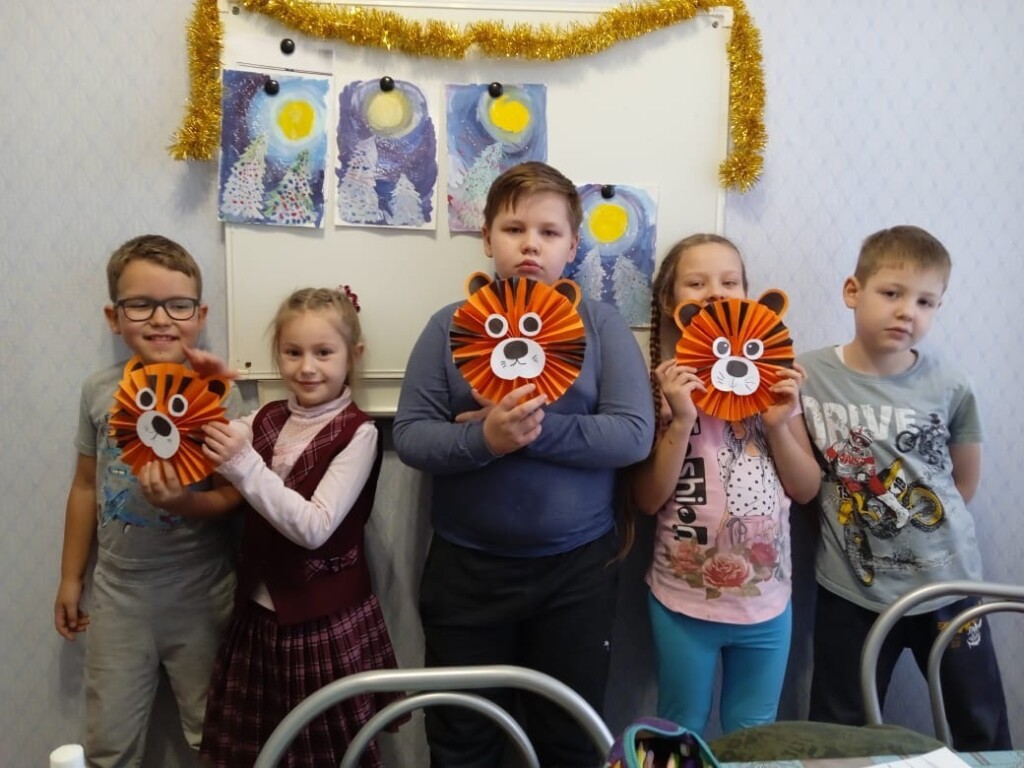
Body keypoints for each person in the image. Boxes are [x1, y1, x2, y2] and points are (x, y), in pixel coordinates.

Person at [392, 161, 655, 767]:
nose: (530, 244)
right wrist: (485, 440)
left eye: (549, 232)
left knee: (569, 738)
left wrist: (521, 434)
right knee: (461, 738)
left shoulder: (601, 325)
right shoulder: (450, 326)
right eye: (514, 229)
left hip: (577, 573)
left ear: (573, 245)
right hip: (467, 573)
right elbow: (412, 437)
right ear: (487, 239)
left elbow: (633, 435)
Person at [799, 225, 1011, 749]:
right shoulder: (807, 376)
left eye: (925, 302)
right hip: (850, 589)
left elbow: (964, 482)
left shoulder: (950, 384)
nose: (906, 312)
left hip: (947, 587)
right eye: (892, 293)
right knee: (838, 726)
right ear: (853, 291)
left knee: (978, 721)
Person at [53, 234, 245, 766]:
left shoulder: (218, 393)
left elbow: (234, 493)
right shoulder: (99, 391)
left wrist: (185, 503)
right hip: (118, 596)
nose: (160, 319)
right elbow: (85, 486)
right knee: (109, 744)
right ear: (114, 318)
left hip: (203, 591)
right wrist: (70, 577)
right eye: (140, 304)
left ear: (200, 315)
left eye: (178, 305)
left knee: (216, 736)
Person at [195, 287, 403, 767]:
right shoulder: (265, 417)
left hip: (322, 619)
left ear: (353, 355)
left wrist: (244, 465)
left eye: (323, 353)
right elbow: (210, 436)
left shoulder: (359, 433)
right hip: (258, 617)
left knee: (328, 752)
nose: (307, 367)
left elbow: (314, 527)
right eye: (293, 353)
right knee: (261, 749)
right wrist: (198, 395)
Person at [630, 233, 821, 736]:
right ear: (672, 304)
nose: (716, 292)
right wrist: (679, 420)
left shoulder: (776, 384)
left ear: (750, 298)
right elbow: (646, 500)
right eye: (697, 283)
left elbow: (806, 489)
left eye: (729, 282)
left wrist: (778, 424)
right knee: (679, 726)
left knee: (754, 732)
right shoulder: (661, 387)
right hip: (681, 601)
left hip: (766, 604)